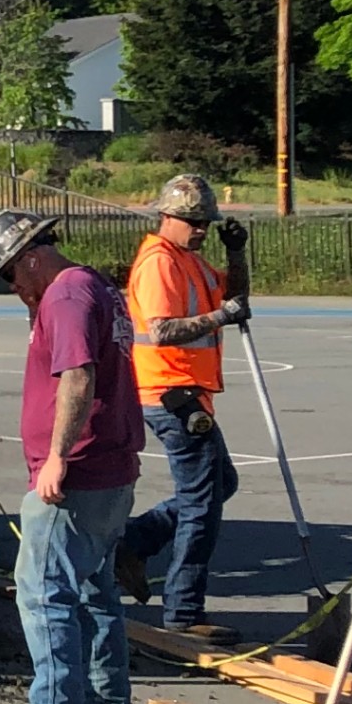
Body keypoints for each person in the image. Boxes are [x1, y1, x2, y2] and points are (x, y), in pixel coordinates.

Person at [0, 207, 143, 704]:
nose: (12, 287)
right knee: (96, 596)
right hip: (111, 471)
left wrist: (57, 458)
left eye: (10, 274)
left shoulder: (65, 295)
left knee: (43, 595)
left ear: (31, 258)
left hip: (79, 476)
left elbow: (78, 376)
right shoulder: (93, 286)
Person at [117, 171, 246, 642]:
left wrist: (236, 253)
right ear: (167, 216)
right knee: (201, 504)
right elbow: (163, 329)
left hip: (187, 391)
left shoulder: (190, 260)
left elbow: (235, 296)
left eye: (206, 222)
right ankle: (184, 611)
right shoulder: (159, 262)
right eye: (193, 222)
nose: (201, 229)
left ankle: (134, 542)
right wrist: (222, 316)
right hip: (171, 393)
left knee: (220, 484)